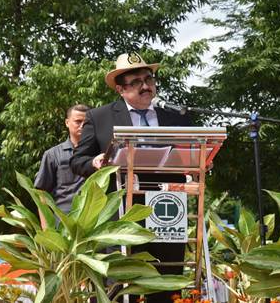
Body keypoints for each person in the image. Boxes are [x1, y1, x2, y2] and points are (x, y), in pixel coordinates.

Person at [70, 52, 191, 301]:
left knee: (165, 282)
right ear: (120, 89)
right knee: (122, 286)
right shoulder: (100, 117)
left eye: (149, 78)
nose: (146, 86)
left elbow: (193, 153)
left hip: (168, 208)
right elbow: (77, 161)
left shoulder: (173, 116)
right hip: (123, 212)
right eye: (136, 82)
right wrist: (94, 162)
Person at [34, 104, 89, 213]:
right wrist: (46, 227)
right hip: (63, 221)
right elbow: (41, 193)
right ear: (67, 123)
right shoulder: (52, 154)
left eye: (86, 122)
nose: (82, 126)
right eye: (78, 121)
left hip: (94, 221)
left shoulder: (99, 153)